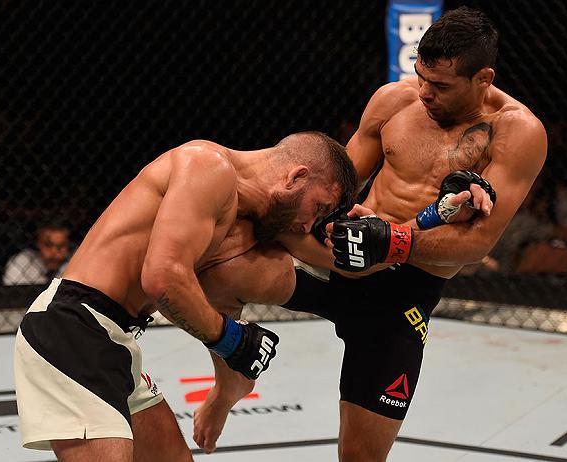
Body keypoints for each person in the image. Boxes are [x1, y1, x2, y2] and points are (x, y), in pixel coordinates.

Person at [192, 7, 547, 461]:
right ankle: (228, 386)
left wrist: (396, 241)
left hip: (404, 294)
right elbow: (336, 181)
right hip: (340, 256)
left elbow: (480, 243)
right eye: (421, 77)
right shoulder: (395, 100)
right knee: (222, 264)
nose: (424, 94)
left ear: (483, 79)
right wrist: (330, 216)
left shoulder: (517, 132)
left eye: (440, 86)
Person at [13, 132, 358, 462]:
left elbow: (221, 302)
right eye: (318, 207)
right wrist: (233, 341)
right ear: (295, 176)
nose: (307, 223)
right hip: (74, 327)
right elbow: (162, 278)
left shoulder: (236, 218)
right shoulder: (208, 167)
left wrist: (223, 394)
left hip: (114, 339)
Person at [3, 220, 71, 285]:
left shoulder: (72, 263)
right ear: (38, 243)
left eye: (61, 246)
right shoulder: (21, 262)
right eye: (48, 245)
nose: (54, 252)